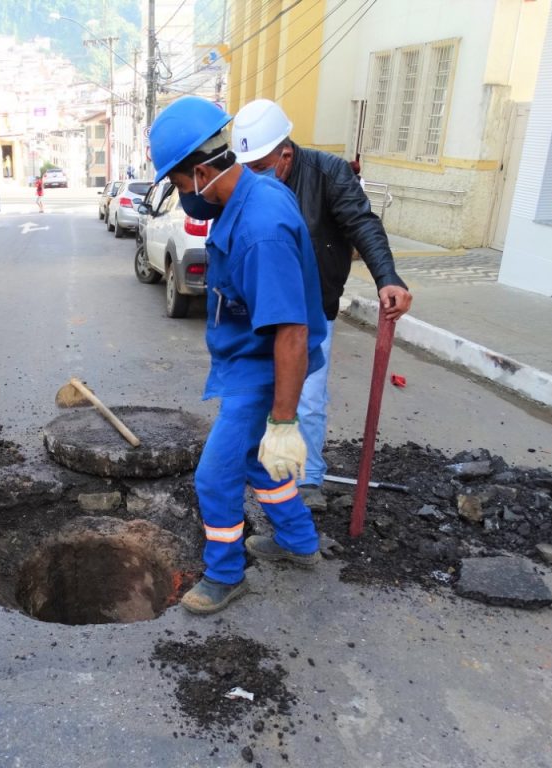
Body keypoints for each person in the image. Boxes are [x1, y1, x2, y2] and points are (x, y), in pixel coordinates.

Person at [148, 96, 327, 615]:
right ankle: (298, 541)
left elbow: (291, 333)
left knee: (214, 474)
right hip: (252, 359)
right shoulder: (254, 194)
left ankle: (225, 574)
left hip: (266, 369)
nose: (185, 198)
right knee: (252, 460)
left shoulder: (259, 232)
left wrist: (285, 421)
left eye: (182, 186)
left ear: (202, 171)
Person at [231, 99, 413, 511]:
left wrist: (388, 277)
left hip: (313, 309)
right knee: (261, 391)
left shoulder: (328, 174)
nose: (251, 177)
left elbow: (362, 223)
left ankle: (308, 478)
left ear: (286, 154)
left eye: (259, 167)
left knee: (308, 394)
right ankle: (266, 470)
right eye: (246, 168)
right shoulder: (248, 181)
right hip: (263, 311)